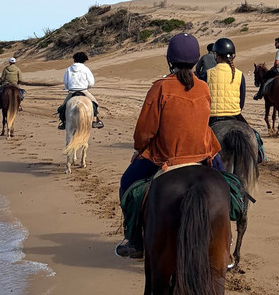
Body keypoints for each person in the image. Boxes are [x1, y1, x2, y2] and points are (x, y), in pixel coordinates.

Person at [114, 33, 224, 258]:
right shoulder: (203, 87)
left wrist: (139, 148)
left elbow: (146, 130)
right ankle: (226, 242)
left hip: (165, 156)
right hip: (202, 152)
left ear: (170, 59)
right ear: (195, 60)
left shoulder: (160, 88)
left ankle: (135, 240)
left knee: (127, 183)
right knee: (229, 185)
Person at [57, 51, 104, 130]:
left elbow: (65, 82)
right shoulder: (86, 69)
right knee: (95, 104)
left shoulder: (69, 69)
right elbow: (91, 82)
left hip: (72, 92)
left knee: (63, 107)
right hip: (84, 91)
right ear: (84, 60)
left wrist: (69, 87)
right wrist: (87, 87)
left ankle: (64, 122)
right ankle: (94, 120)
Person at [207, 37, 247, 121]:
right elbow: (241, 100)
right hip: (235, 114)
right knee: (255, 134)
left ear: (216, 55)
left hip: (213, 115)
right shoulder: (239, 74)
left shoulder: (208, 73)